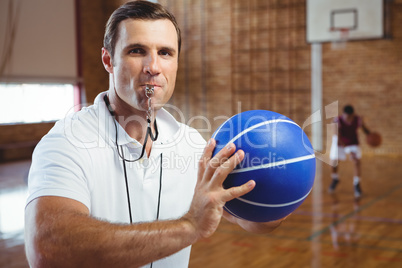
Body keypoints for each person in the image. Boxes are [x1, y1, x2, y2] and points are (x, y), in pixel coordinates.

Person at [24, 1, 284, 267]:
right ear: (108, 60)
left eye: (166, 53)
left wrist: (282, 188)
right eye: (137, 51)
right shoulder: (66, 142)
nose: (153, 67)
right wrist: (190, 226)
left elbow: (255, 221)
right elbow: (48, 249)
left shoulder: (193, 145)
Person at [328, 105, 370, 198]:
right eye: (346, 117)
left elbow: (364, 128)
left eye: (350, 117)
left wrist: (370, 135)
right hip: (339, 142)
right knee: (333, 162)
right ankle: (335, 179)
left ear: (353, 115)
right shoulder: (337, 121)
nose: (348, 119)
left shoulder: (357, 119)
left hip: (353, 142)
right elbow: (338, 137)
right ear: (343, 114)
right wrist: (348, 150)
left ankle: (357, 184)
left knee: (356, 161)